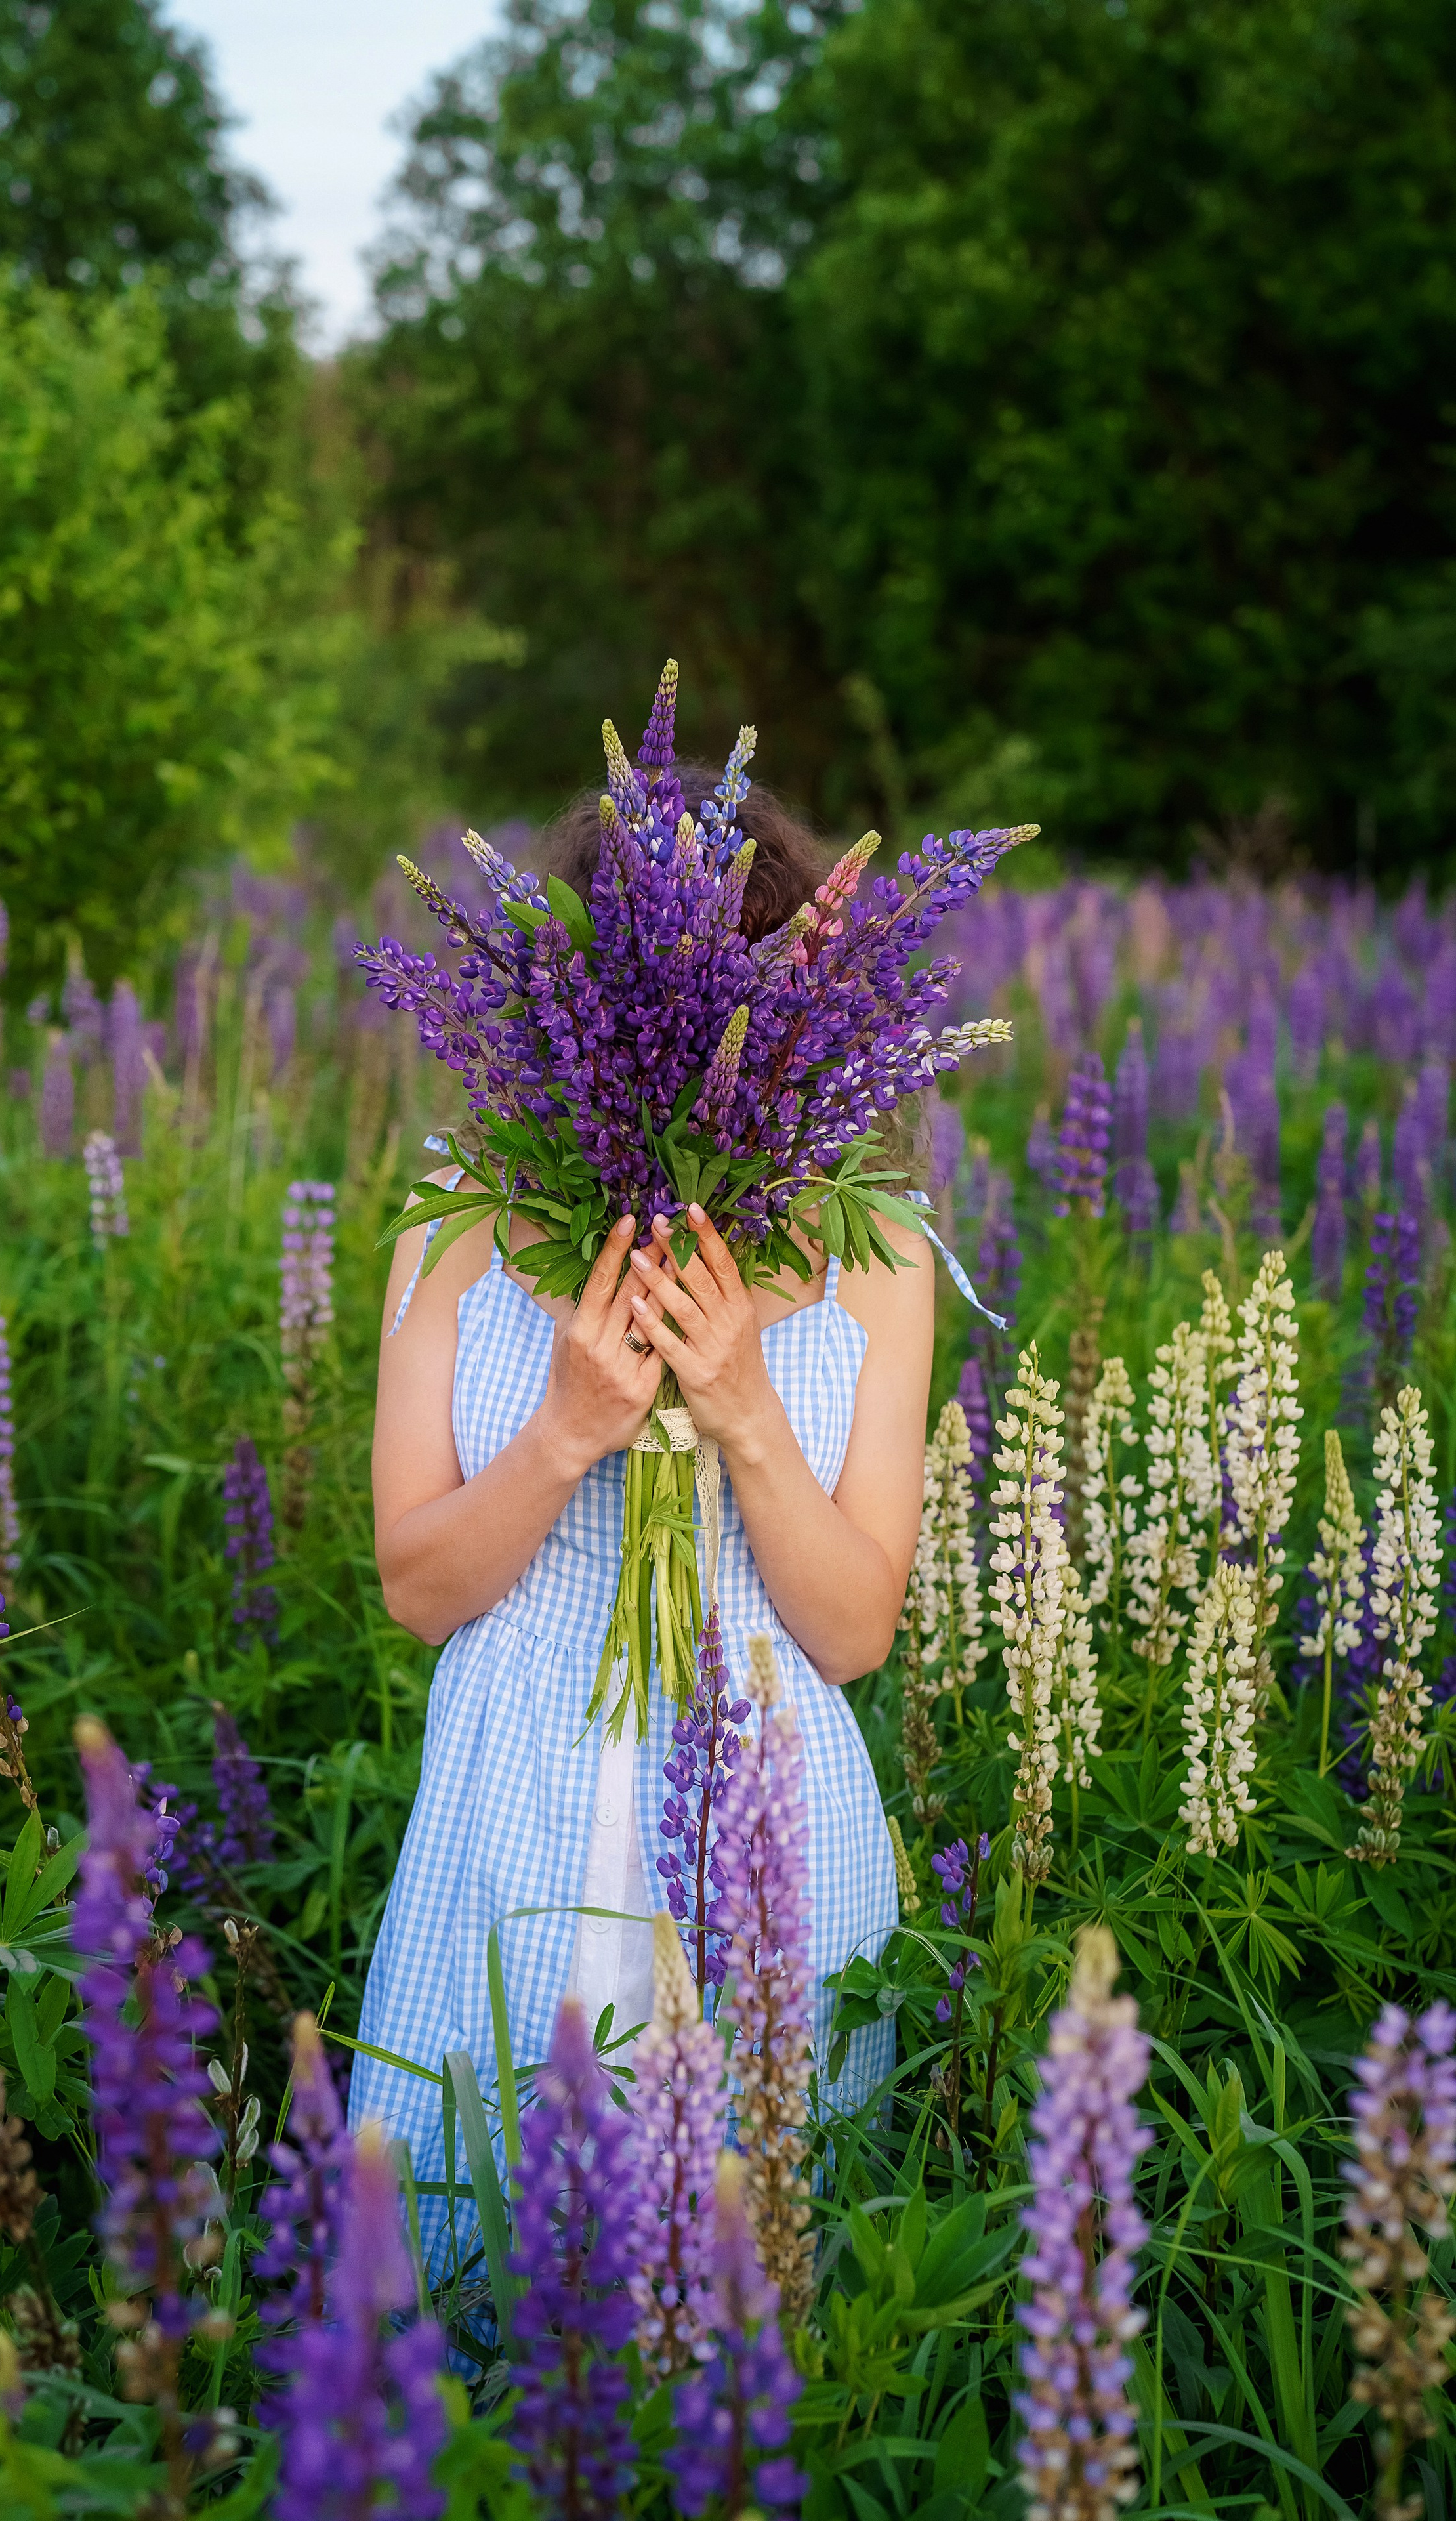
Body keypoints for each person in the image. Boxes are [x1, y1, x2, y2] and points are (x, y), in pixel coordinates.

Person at [348, 770, 932, 2257]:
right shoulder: (464, 1205)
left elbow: (857, 1629)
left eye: (744, 1045)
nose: (698, 1092)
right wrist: (563, 1434)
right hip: (506, 1808)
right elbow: (415, 1587)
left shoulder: (876, 1245)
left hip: (766, 1815)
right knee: (468, 2291)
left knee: (753, 2298)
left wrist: (739, 1412)